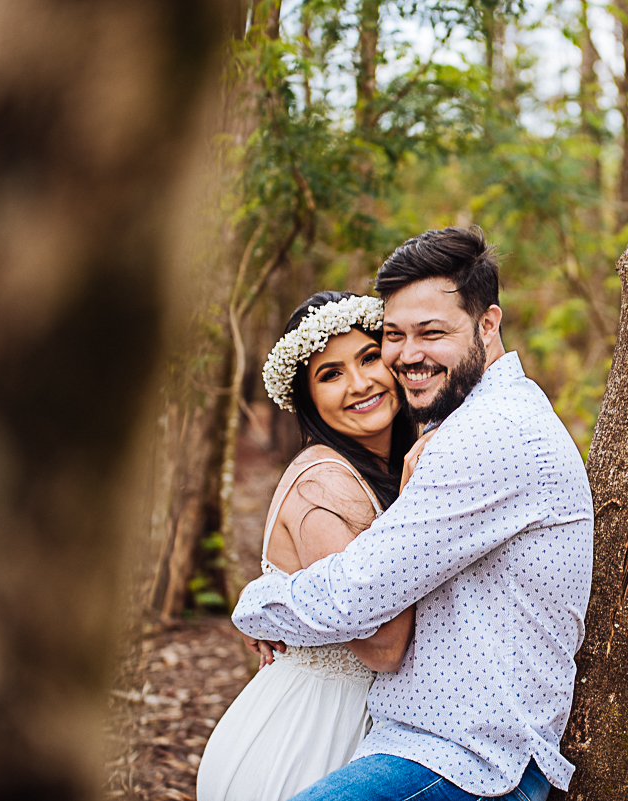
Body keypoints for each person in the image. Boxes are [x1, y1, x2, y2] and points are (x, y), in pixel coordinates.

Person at [233, 227, 594, 801]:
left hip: (463, 764)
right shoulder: (469, 419)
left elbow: (356, 595)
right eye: (394, 335)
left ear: (488, 324)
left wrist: (255, 604)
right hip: (427, 749)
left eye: (432, 333)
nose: (407, 355)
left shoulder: (486, 433)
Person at [197, 291, 420, 801]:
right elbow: (383, 647)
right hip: (306, 741)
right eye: (331, 374)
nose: (360, 383)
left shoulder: (392, 464)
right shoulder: (325, 485)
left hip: (363, 738)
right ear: (308, 399)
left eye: (368, 358)